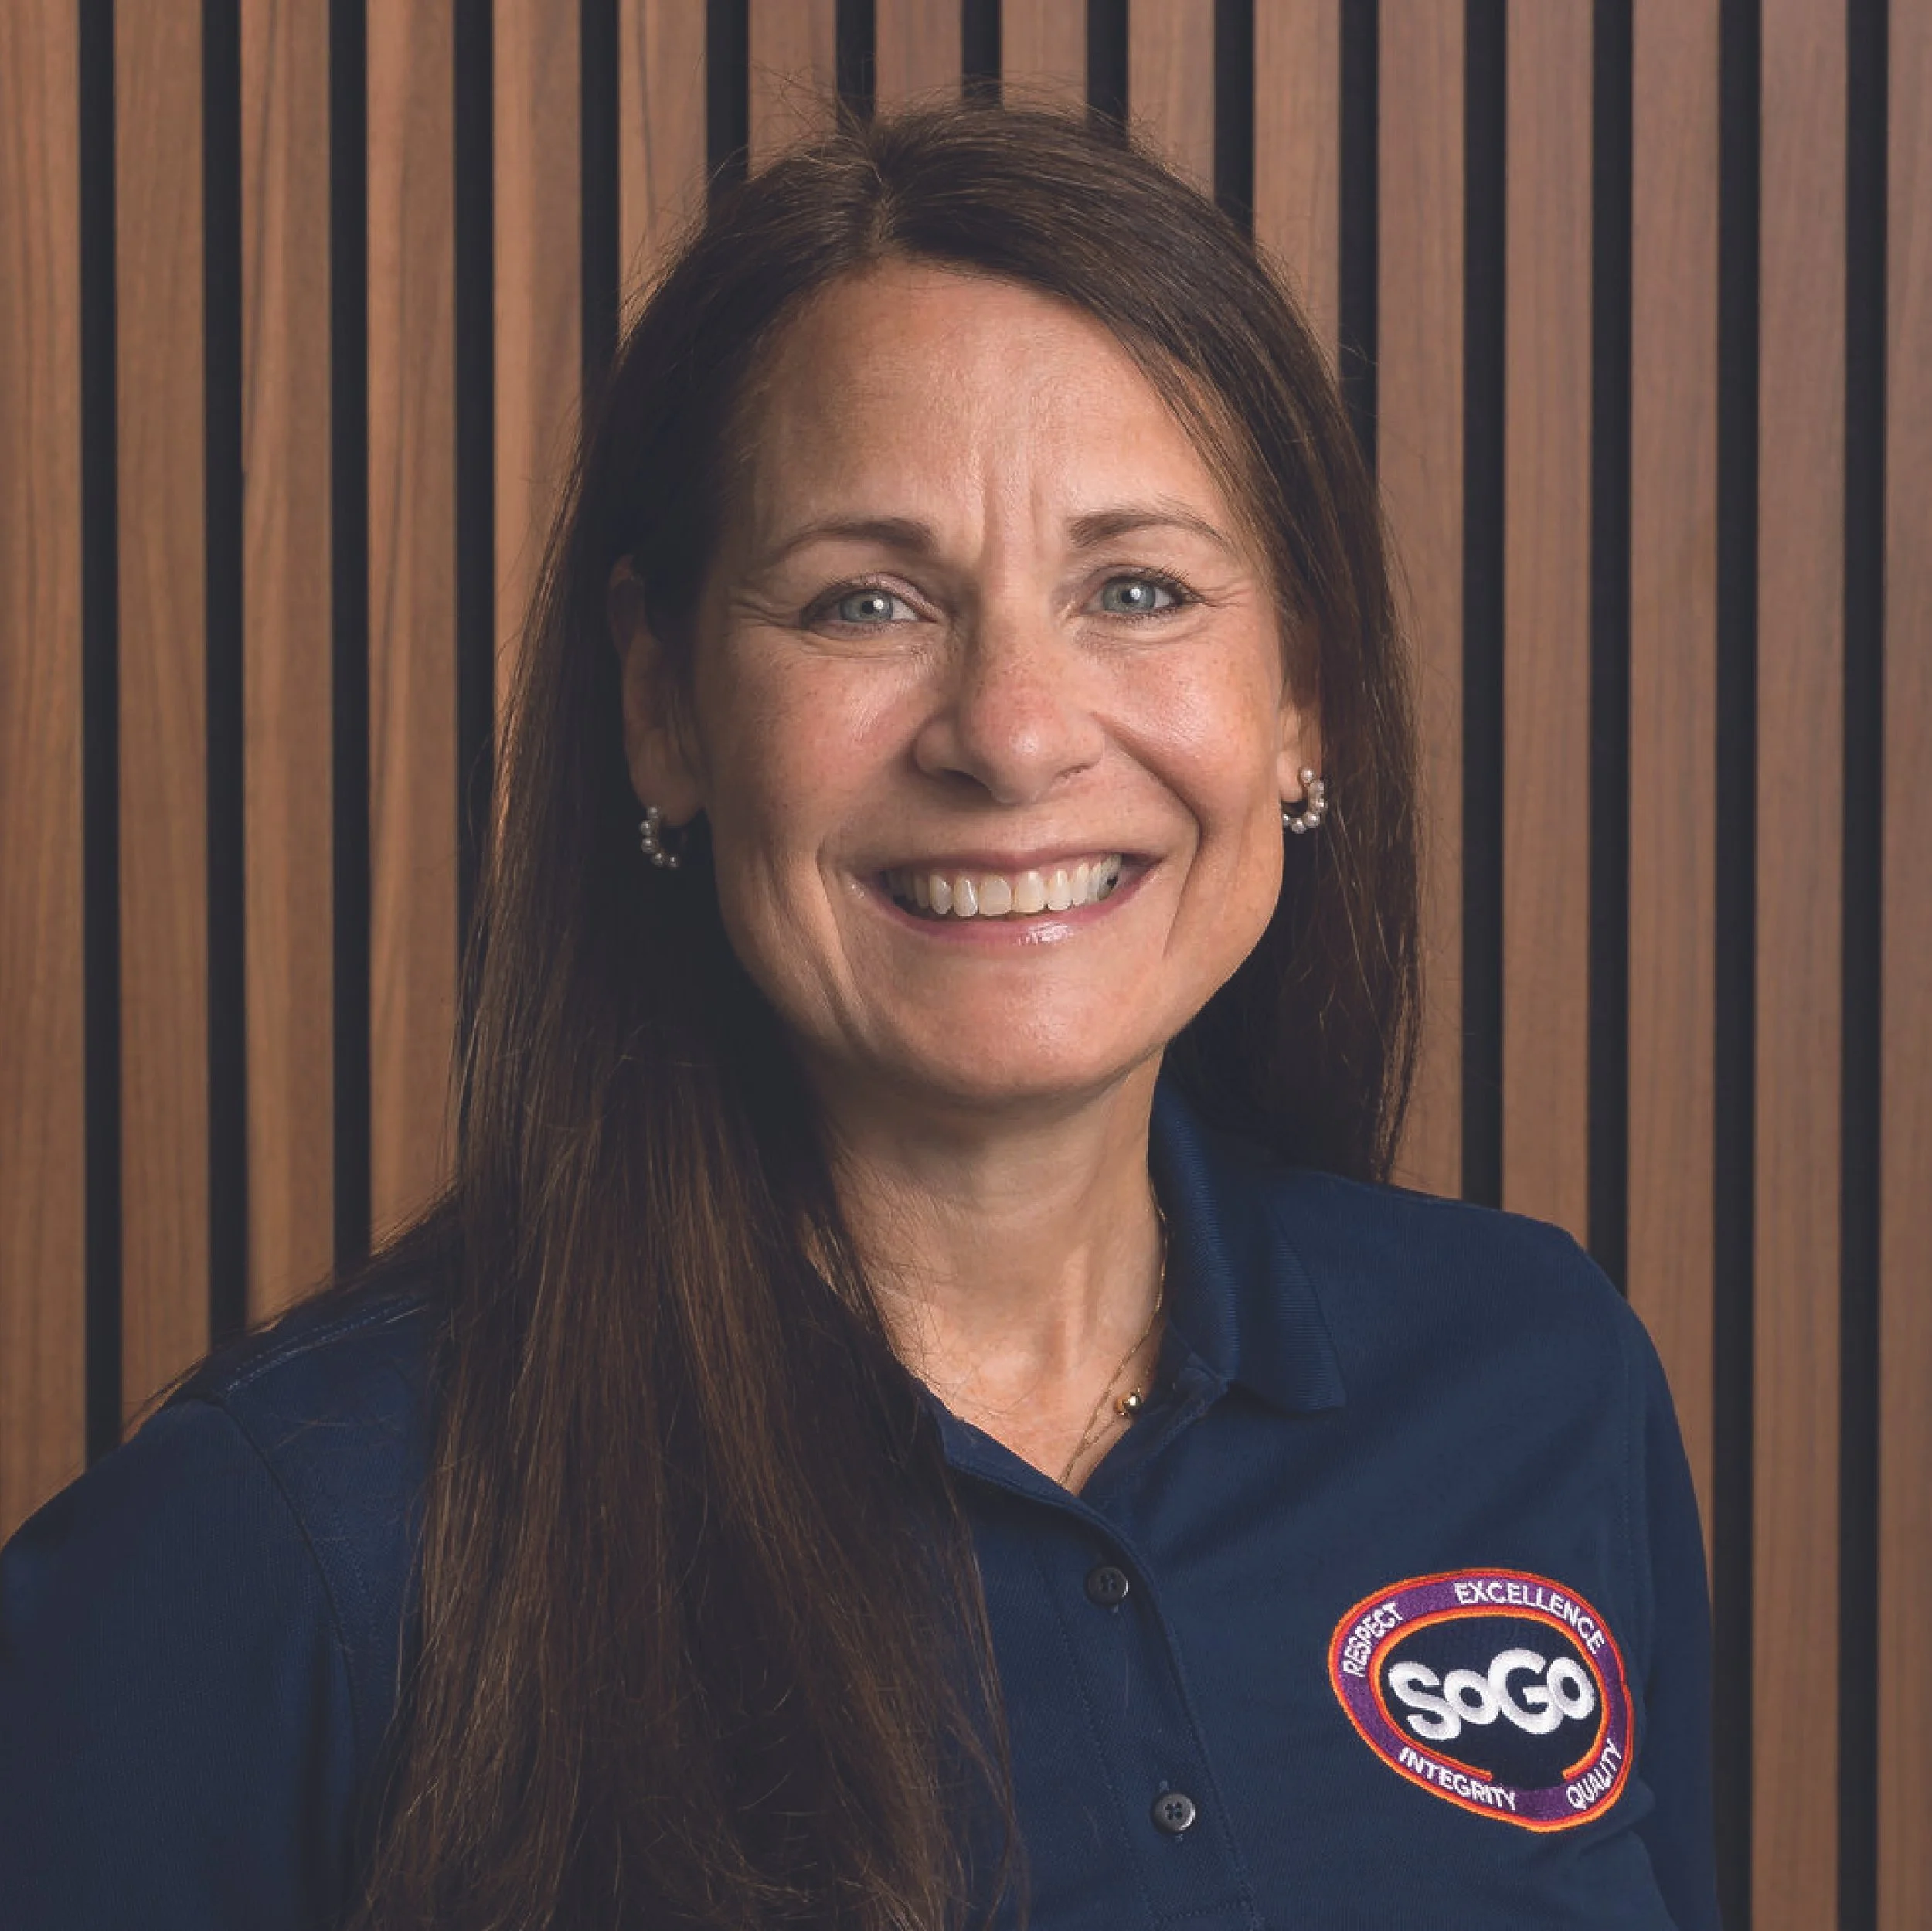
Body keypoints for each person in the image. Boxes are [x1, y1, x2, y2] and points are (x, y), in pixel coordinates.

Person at [0, 104, 1718, 1930]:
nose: (1012, 731)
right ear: (664, 708)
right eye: (865, 602)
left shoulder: (1529, 1378)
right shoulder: (297, 1538)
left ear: (1301, 695)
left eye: (1136, 589)